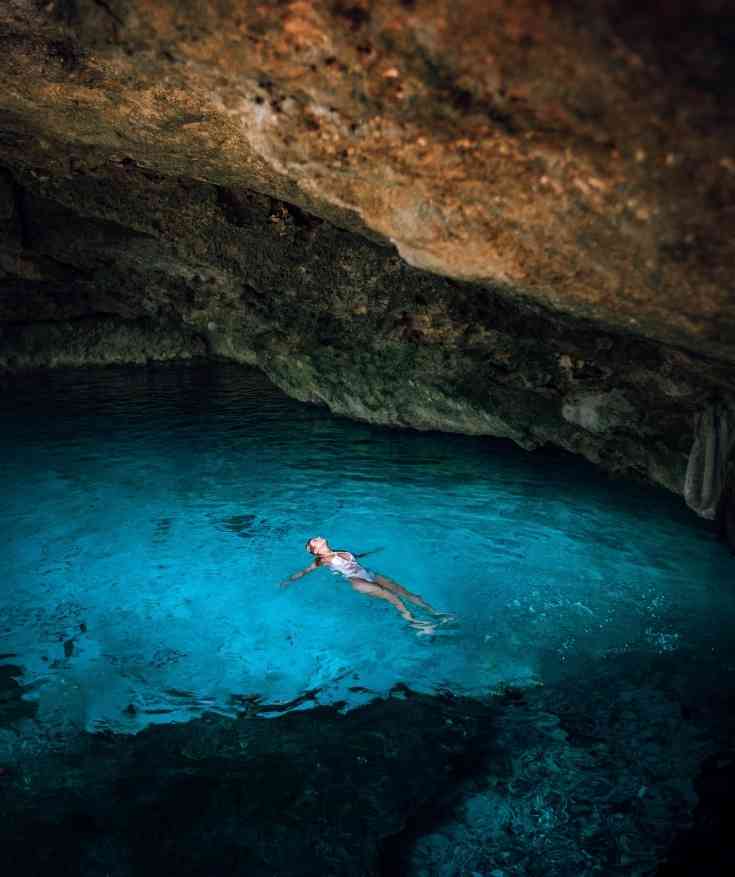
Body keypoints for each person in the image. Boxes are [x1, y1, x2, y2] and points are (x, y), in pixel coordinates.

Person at [280, 536, 452, 635]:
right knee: (393, 598)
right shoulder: (321, 560)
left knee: (406, 593)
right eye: (313, 541)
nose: (316, 538)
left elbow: (356, 556)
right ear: (315, 551)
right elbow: (304, 571)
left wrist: (375, 551)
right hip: (357, 581)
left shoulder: (339, 551)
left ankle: (436, 614)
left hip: (368, 573)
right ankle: (416, 624)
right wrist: (288, 580)